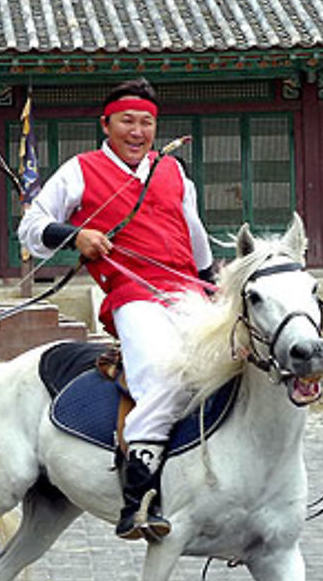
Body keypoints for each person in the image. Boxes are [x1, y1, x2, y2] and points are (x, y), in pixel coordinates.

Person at [18, 78, 214, 540]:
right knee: (162, 376)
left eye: (147, 122)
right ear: (105, 124)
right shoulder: (80, 170)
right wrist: (75, 236)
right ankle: (139, 493)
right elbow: (30, 228)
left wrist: (212, 288)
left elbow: (196, 235)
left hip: (189, 293)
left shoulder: (173, 173)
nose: (138, 130)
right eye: (127, 120)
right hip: (133, 293)